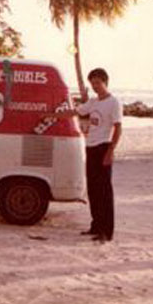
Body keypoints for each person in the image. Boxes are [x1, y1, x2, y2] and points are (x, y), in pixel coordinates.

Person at [44, 68, 122, 242]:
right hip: (91, 147)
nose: (95, 86)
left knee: (104, 192)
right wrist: (52, 115)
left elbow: (118, 127)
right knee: (93, 190)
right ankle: (96, 226)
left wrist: (111, 151)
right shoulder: (94, 102)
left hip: (104, 147)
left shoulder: (114, 102)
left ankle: (106, 231)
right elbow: (75, 112)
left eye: (98, 83)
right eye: (92, 83)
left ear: (105, 82)